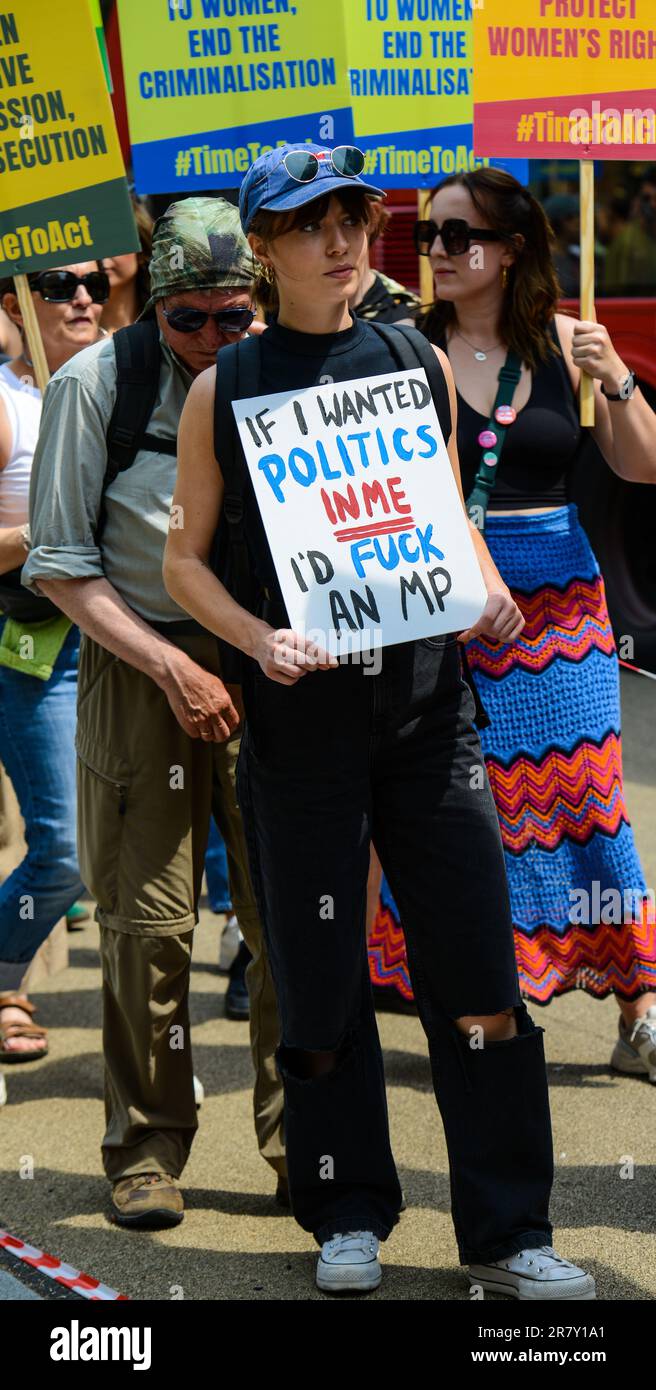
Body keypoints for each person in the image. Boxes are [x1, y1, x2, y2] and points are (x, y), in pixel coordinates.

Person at [164, 142, 595, 1300]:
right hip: (298, 737)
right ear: (264, 247)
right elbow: (182, 563)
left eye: (353, 217)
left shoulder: (410, 356)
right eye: (311, 224)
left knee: (474, 976)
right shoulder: (227, 386)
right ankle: (345, 1210)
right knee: (316, 978)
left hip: (423, 723)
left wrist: (481, 584)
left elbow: (445, 511)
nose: (342, 240)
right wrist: (256, 640)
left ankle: (508, 1232)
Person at [23, 199, 285, 1227]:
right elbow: (58, 563)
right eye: (193, 322)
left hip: (273, 664)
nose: (218, 340)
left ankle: (300, 1143)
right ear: (152, 308)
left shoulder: (284, 373)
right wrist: (169, 666)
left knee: (285, 919)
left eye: (237, 317)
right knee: (147, 925)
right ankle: (144, 1146)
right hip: (141, 664)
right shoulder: (96, 385)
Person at [369, 168, 656, 1080]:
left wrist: (614, 381)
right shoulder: (404, 347)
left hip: (562, 607)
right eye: (432, 239)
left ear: (513, 247)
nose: (442, 254)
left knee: (587, 800)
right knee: (459, 805)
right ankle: (480, 995)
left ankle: (639, 1002)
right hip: (442, 600)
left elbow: (643, 467)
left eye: (462, 237)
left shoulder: (568, 344)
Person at [0, 263, 109, 1061]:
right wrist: (49, 538)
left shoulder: (131, 377)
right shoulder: (6, 405)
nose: (83, 298)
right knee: (64, 847)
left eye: (96, 284)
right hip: (39, 649)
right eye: (59, 283)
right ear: (15, 307)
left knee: (114, 849)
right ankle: (5, 978)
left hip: (134, 642)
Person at [350, 201, 420, 325]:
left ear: (372, 216)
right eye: (311, 226)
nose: (338, 245)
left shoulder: (404, 315)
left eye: (350, 221)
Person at [100, 195, 154, 334]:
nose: (101, 256)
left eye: (114, 242)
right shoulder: (67, 336)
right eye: (91, 245)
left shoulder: (167, 324)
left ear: (141, 251)